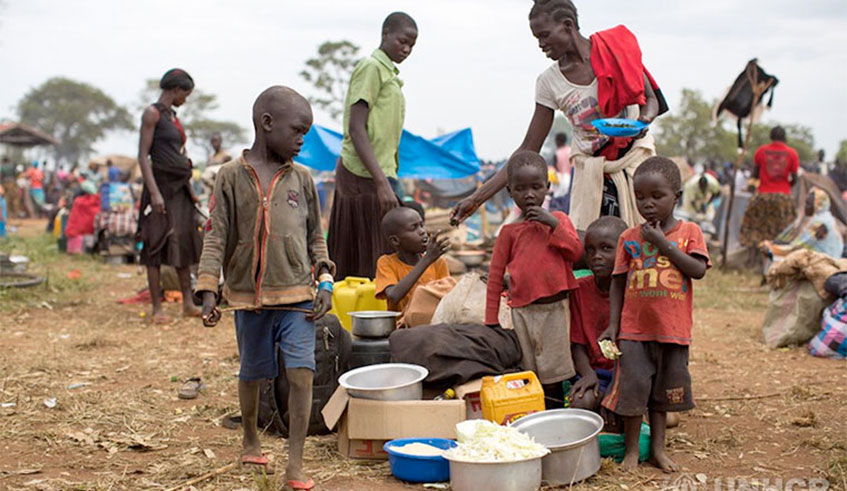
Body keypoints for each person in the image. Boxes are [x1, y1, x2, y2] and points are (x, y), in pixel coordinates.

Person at [197, 86, 333, 491]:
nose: (302, 139)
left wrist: (324, 278)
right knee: (253, 372)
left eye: (306, 132)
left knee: (302, 373)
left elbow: (316, 237)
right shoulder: (229, 176)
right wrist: (208, 287)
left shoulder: (304, 179)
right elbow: (216, 235)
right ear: (266, 124)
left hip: (297, 297)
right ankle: (251, 438)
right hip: (248, 298)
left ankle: (295, 463)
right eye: (297, 130)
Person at [451, 0, 666, 232]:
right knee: (593, 249)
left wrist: (643, 121)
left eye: (544, 35)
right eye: (537, 39)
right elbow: (529, 147)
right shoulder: (549, 82)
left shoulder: (614, 49)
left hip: (636, 165)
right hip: (593, 175)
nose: (541, 44)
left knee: (646, 242)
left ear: (567, 25)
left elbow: (651, 100)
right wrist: (476, 198)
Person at [599, 156, 710, 472]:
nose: (647, 204)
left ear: (676, 196)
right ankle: (632, 452)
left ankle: (658, 450)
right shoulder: (629, 238)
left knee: (661, 399)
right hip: (634, 332)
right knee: (633, 396)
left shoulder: (690, 232)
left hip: (672, 331)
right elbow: (618, 284)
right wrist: (612, 325)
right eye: (640, 197)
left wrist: (663, 243)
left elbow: (698, 270)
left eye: (656, 196)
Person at [485, 151, 583, 407]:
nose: (529, 194)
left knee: (555, 369)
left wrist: (552, 224)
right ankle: (538, 412)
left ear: (547, 187)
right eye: (521, 188)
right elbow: (495, 277)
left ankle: (556, 411)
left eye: (536, 187)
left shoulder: (559, 220)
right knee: (531, 370)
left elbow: (575, 251)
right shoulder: (508, 232)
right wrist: (491, 319)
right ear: (510, 192)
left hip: (555, 309)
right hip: (522, 312)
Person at [327, 12, 418, 280]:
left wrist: (386, 179)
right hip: (362, 176)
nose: (406, 49)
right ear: (386, 33)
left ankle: (381, 316)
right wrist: (381, 183)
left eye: (412, 46)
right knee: (366, 256)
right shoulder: (371, 68)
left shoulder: (390, 75)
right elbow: (356, 127)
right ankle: (358, 316)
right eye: (402, 41)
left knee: (384, 253)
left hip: (382, 173)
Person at [137, 68, 203, 323]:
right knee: (156, 243)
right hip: (160, 188)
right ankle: (157, 309)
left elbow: (179, 154)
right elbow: (143, 156)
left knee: (184, 243)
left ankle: (187, 302)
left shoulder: (173, 117)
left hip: (180, 190)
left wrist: (191, 191)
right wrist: (154, 194)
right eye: (185, 94)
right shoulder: (152, 114)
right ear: (175, 90)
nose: (185, 99)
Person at [568, 216, 626, 413]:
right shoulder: (579, 290)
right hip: (595, 373)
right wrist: (587, 375)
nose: (596, 256)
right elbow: (577, 344)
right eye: (590, 250)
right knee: (580, 401)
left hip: (629, 374)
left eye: (606, 248)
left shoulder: (634, 292)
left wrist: (616, 389)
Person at [374, 206, 450, 323]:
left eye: (421, 225)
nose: (422, 231)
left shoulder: (438, 263)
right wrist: (427, 259)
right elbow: (394, 295)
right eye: (413, 228)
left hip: (434, 324)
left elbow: (447, 298)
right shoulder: (386, 263)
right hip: (403, 327)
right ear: (395, 240)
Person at [739, 126, 799, 251]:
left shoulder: (761, 151)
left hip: (763, 195)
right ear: (784, 138)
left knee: (755, 227)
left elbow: (755, 174)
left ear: (771, 137)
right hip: (783, 197)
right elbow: (795, 178)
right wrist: (786, 187)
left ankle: (753, 257)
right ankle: (779, 254)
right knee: (784, 230)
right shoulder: (792, 153)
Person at [761, 187, 844, 260]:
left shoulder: (820, 222)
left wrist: (772, 249)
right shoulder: (824, 217)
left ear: (818, 205)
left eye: (808, 204)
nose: (805, 207)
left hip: (826, 262)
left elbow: (798, 246)